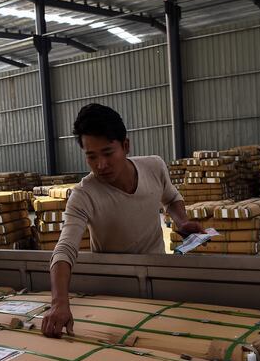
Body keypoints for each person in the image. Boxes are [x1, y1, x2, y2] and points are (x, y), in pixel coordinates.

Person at [42, 103, 204, 338]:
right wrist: (59, 302)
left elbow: (171, 197)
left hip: (157, 279)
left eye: (108, 153)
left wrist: (182, 222)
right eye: (91, 157)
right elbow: (65, 249)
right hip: (113, 290)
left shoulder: (154, 167)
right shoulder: (83, 195)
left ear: (125, 146)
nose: (101, 165)